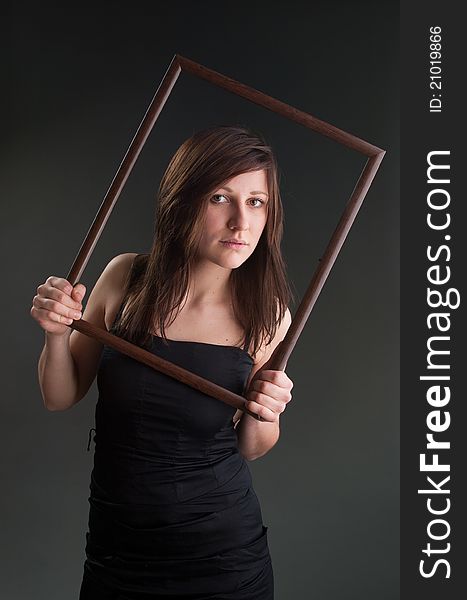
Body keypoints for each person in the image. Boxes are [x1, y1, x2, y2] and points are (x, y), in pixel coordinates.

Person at [31, 125, 294, 599]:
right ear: (183, 198)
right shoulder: (124, 276)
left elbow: (252, 447)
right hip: (118, 547)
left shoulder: (268, 313)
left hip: (221, 555)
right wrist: (55, 336)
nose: (241, 222)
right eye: (220, 197)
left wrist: (267, 411)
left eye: (256, 201)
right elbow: (59, 395)